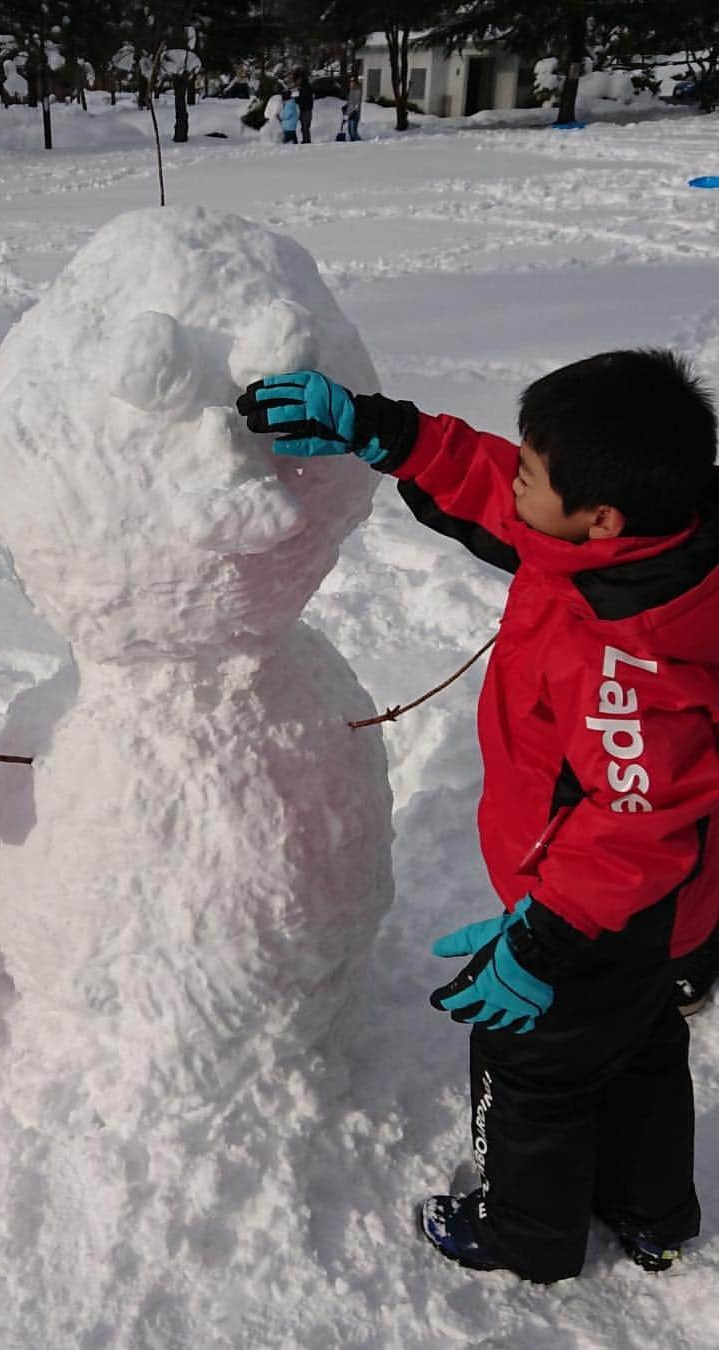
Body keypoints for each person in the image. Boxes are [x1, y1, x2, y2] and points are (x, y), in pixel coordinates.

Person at [236, 352, 719, 1283]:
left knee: (528, 1058)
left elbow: (635, 825)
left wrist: (546, 939)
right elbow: (506, 497)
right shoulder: (635, 545)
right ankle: (653, 1213)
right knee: (640, 1038)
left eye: (537, 472)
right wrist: (397, 434)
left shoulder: (632, 662)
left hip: (605, 911)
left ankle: (523, 1233)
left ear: (600, 519)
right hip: (654, 914)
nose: (519, 479)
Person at [295, 71, 314, 144]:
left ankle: (306, 141)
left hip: (306, 110)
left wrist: (296, 100)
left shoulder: (305, 87)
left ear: (300, 78)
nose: (297, 82)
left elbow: (304, 99)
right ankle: (306, 140)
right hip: (306, 109)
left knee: (305, 127)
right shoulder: (305, 86)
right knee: (305, 127)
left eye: (297, 80)